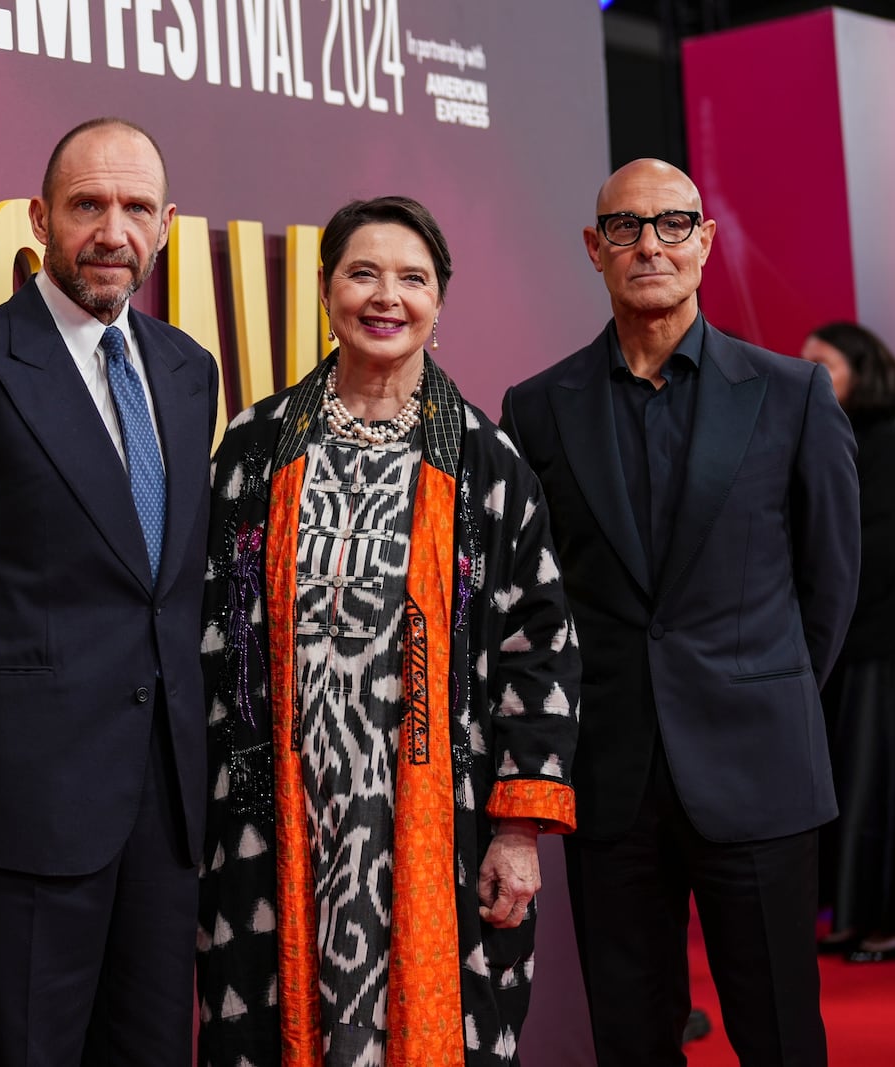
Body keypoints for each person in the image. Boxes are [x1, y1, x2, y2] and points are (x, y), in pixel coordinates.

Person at [0, 117, 218, 1066]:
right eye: (87, 205)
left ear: (167, 225)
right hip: (21, 804)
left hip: (165, 804)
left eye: (136, 208)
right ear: (38, 218)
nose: (112, 231)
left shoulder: (187, 372)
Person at [197, 196, 581, 1067]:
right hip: (277, 813)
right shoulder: (254, 447)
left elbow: (541, 647)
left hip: (439, 815)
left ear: (439, 305)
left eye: (412, 278)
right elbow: (206, 628)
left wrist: (519, 831)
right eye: (362, 272)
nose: (386, 296)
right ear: (328, 289)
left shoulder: (489, 462)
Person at [499, 158, 860, 1066]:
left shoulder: (792, 394)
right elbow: (536, 600)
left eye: (671, 223)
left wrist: (762, 690)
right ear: (594, 248)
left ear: (704, 241)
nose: (648, 243)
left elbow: (831, 584)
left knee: (780, 1032)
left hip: (759, 768)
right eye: (624, 227)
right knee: (631, 1036)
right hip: (612, 777)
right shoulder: (538, 409)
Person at [802, 322, 895, 963]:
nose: (808, 374)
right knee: (884, 777)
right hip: (867, 636)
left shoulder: (888, 446)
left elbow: (875, 553)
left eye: (823, 364)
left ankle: (873, 925)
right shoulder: (852, 441)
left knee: (869, 775)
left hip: (884, 636)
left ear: (862, 371)